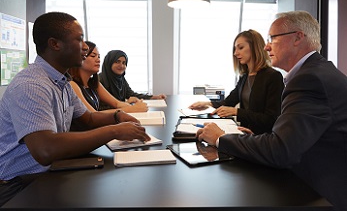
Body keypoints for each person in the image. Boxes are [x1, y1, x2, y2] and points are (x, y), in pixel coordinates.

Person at [196, 11, 347, 211]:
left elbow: (281, 150)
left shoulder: (309, 80)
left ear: (298, 37)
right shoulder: (318, 71)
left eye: (272, 39)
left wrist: (220, 139)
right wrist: (255, 138)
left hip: (319, 192)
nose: (267, 46)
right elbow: (290, 135)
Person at [0, 12, 150, 206]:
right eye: (79, 39)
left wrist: (117, 115)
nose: (86, 46)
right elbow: (45, 149)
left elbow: (88, 119)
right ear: (55, 44)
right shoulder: (31, 85)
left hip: (47, 173)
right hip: (17, 186)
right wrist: (114, 130)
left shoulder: (61, 81)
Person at [189, 29, 284, 134]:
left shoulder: (273, 77)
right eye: (235, 49)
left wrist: (237, 112)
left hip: (261, 138)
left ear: (254, 47)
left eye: (241, 48)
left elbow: (271, 119)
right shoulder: (244, 77)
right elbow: (228, 102)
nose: (235, 53)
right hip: (244, 135)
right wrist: (208, 104)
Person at [69, 41, 148, 116]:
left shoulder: (94, 83)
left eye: (99, 56)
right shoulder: (73, 85)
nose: (98, 59)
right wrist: (132, 109)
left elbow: (117, 103)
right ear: (80, 58)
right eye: (93, 56)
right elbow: (92, 115)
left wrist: (134, 106)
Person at [99, 50, 166, 103]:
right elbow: (100, 109)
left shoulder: (120, 79)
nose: (121, 65)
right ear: (109, 62)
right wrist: (126, 103)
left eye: (124, 63)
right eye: (117, 62)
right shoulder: (99, 80)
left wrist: (154, 97)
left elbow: (131, 94)